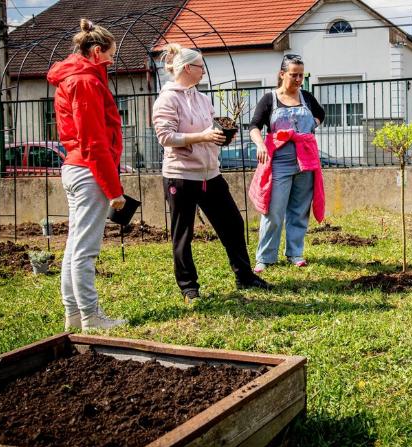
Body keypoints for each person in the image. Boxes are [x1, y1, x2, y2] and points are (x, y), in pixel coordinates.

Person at [152, 43, 270, 302]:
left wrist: (221, 137)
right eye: (200, 67)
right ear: (186, 68)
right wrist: (202, 136)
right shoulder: (167, 99)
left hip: (210, 174)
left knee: (233, 224)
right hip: (181, 175)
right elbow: (165, 137)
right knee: (183, 232)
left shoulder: (203, 98)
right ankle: (189, 287)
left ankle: (245, 276)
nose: (203, 71)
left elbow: (211, 129)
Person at [47, 19, 127, 332]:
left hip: (76, 166)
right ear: (96, 51)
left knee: (74, 246)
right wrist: (113, 189)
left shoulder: (75, 76)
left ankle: (74, 314)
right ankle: (91, 316)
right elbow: (94, 140)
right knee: (85, 249)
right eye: (110, 55)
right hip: (88, 170)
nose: (111, 61)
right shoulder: (85, 83)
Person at [248, 54, 326, 273]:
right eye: (294, 75)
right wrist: (260, 145)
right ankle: (265, 257)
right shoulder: (269, 99)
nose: (298, 79)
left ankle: (295, 253)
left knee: (300, 210)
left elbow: (320, 114)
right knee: (273, 211)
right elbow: (254, 125)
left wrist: (311, 126)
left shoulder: (307, 97)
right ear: (282, 74)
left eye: (301, 75)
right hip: (279, 162)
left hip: (306, 160)